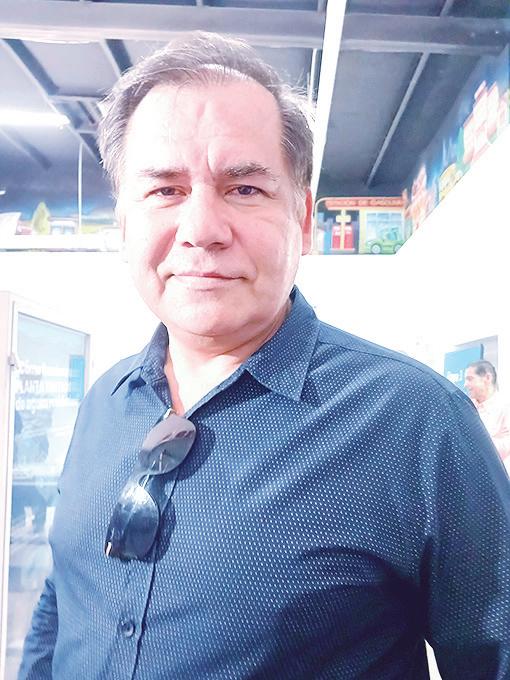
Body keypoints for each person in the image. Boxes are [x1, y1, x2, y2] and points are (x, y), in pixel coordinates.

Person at [20, 32, 510, 679]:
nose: (202, 230)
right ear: (124, 224)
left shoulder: (417, 423)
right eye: (165, 190)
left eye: (245, 189)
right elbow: (65, 597)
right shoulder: (104, 403)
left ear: (301, 220)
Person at [464, 359, 510, 470]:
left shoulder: (505, 407)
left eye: (470, 379)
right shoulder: (467, 407)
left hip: (498, 474)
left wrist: (478, 444)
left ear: (487, 378)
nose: (465, 385)